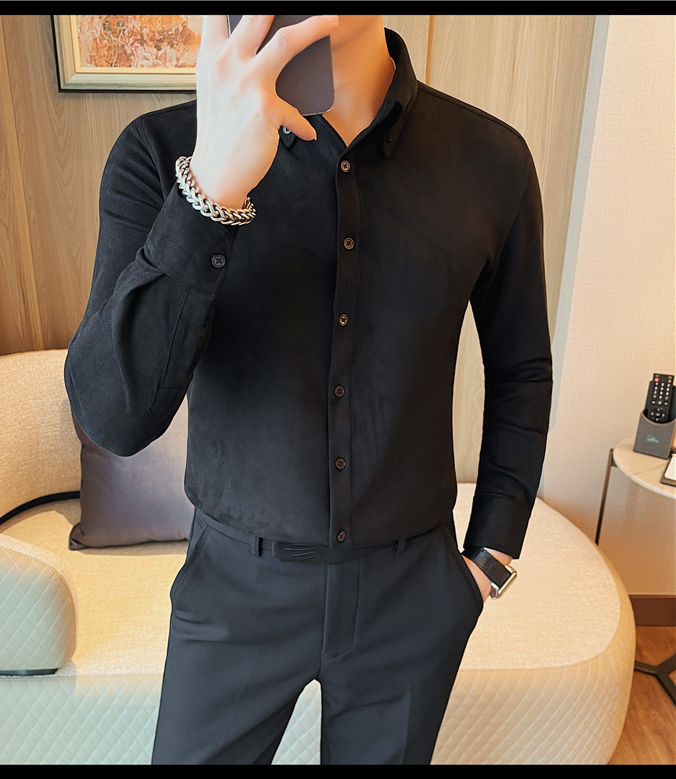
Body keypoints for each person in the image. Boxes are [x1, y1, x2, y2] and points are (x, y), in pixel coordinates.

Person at [64, 14, 553, 765]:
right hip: (232, 588)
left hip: (411, 590)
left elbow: (521, 367)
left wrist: (491, 556)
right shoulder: (163, 151)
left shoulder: (492, 160)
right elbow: (113, 417)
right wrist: (210, 189)